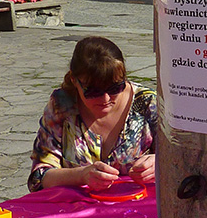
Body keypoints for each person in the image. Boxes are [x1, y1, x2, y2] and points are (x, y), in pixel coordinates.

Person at [28, 36, 157, 192]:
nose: (106, 99)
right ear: (74, 80)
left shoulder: (148, 103)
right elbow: (38, 178)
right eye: (94, 92)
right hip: (77, 205)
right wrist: (81, 175)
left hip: (138, 203)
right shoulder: (62, 105)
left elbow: (179, 161)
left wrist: (159, 163)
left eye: (115, 88)